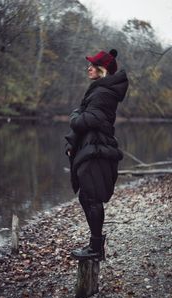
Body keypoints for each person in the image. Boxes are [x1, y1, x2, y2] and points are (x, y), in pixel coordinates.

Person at [65, 49, 129, 260]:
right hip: (93, 147)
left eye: (93, 65)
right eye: (89, 64)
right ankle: (95, 246)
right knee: (87, 196)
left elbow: (87, 120)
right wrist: (73, 143)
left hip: (98, 150)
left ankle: (96, 249)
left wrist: (74, 115)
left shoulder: (103, 93)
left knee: (90, 197)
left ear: (104, 70)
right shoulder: (100, 90)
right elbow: (87, 122)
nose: (89, 67)